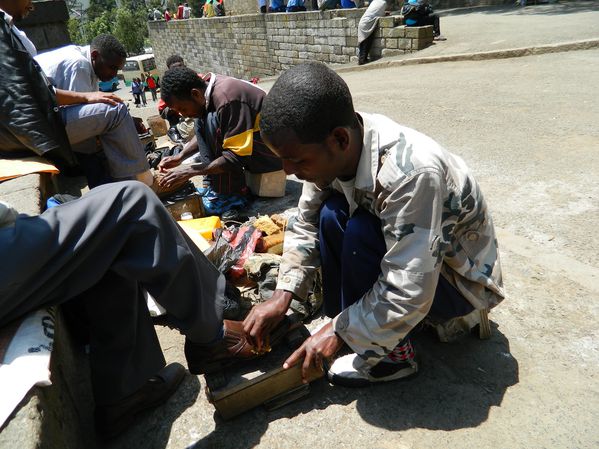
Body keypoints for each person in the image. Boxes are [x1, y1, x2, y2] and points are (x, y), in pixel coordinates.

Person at [0, 3, 281, 438]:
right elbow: (28, 117)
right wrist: (181, 160)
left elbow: (235, 154)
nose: (33, 5)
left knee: (104, 242)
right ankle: (212, 336)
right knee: (133, 201)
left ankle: (125, 391)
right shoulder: (202, 102)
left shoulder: (226, 98)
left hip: (255, 163)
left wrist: (186, 168)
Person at [243, 61, 505, 387]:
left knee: (360, 231)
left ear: (340, 139)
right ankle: (358, 328)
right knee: (329, 215)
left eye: (296, 161)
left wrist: (341, 331)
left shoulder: (410, 173)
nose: (288, 171)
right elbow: (306, 222)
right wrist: (283, 294)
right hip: (418, 262)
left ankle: (391, 358)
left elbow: (408, 288)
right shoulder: (326, 144)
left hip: (458, 279)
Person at [34, 35, 155, 189]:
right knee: (115, 112)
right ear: (95, 56)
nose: (114, 74)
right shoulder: (79, 64)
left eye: (117, 69)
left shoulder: (88, 62)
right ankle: (142, 182)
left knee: (110, 128)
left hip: (48, 123)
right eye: (112, 67)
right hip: (42, 128)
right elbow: (83, 119)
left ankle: (124, 185)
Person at [157, 67, 282, 199]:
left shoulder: (227, 99)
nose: (183, 114)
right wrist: (180, 157)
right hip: (257, 147)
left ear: (195, 94)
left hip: (272, 155)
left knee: (211, 120)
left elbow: (236, 157)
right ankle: (214, 184)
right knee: (201, 119)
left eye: (182, 109)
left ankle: (230, 194)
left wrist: (190, 171)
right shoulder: (206, 91)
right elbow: (202, 132)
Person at [356, 0, 388, 65]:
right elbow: (379, 13)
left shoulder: (375, 1)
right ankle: (362, 60)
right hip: (367, 23)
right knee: (366, 43)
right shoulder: (383, 3)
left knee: (364, 43)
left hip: (363, 22)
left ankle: (362, 59)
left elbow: (374, 12)